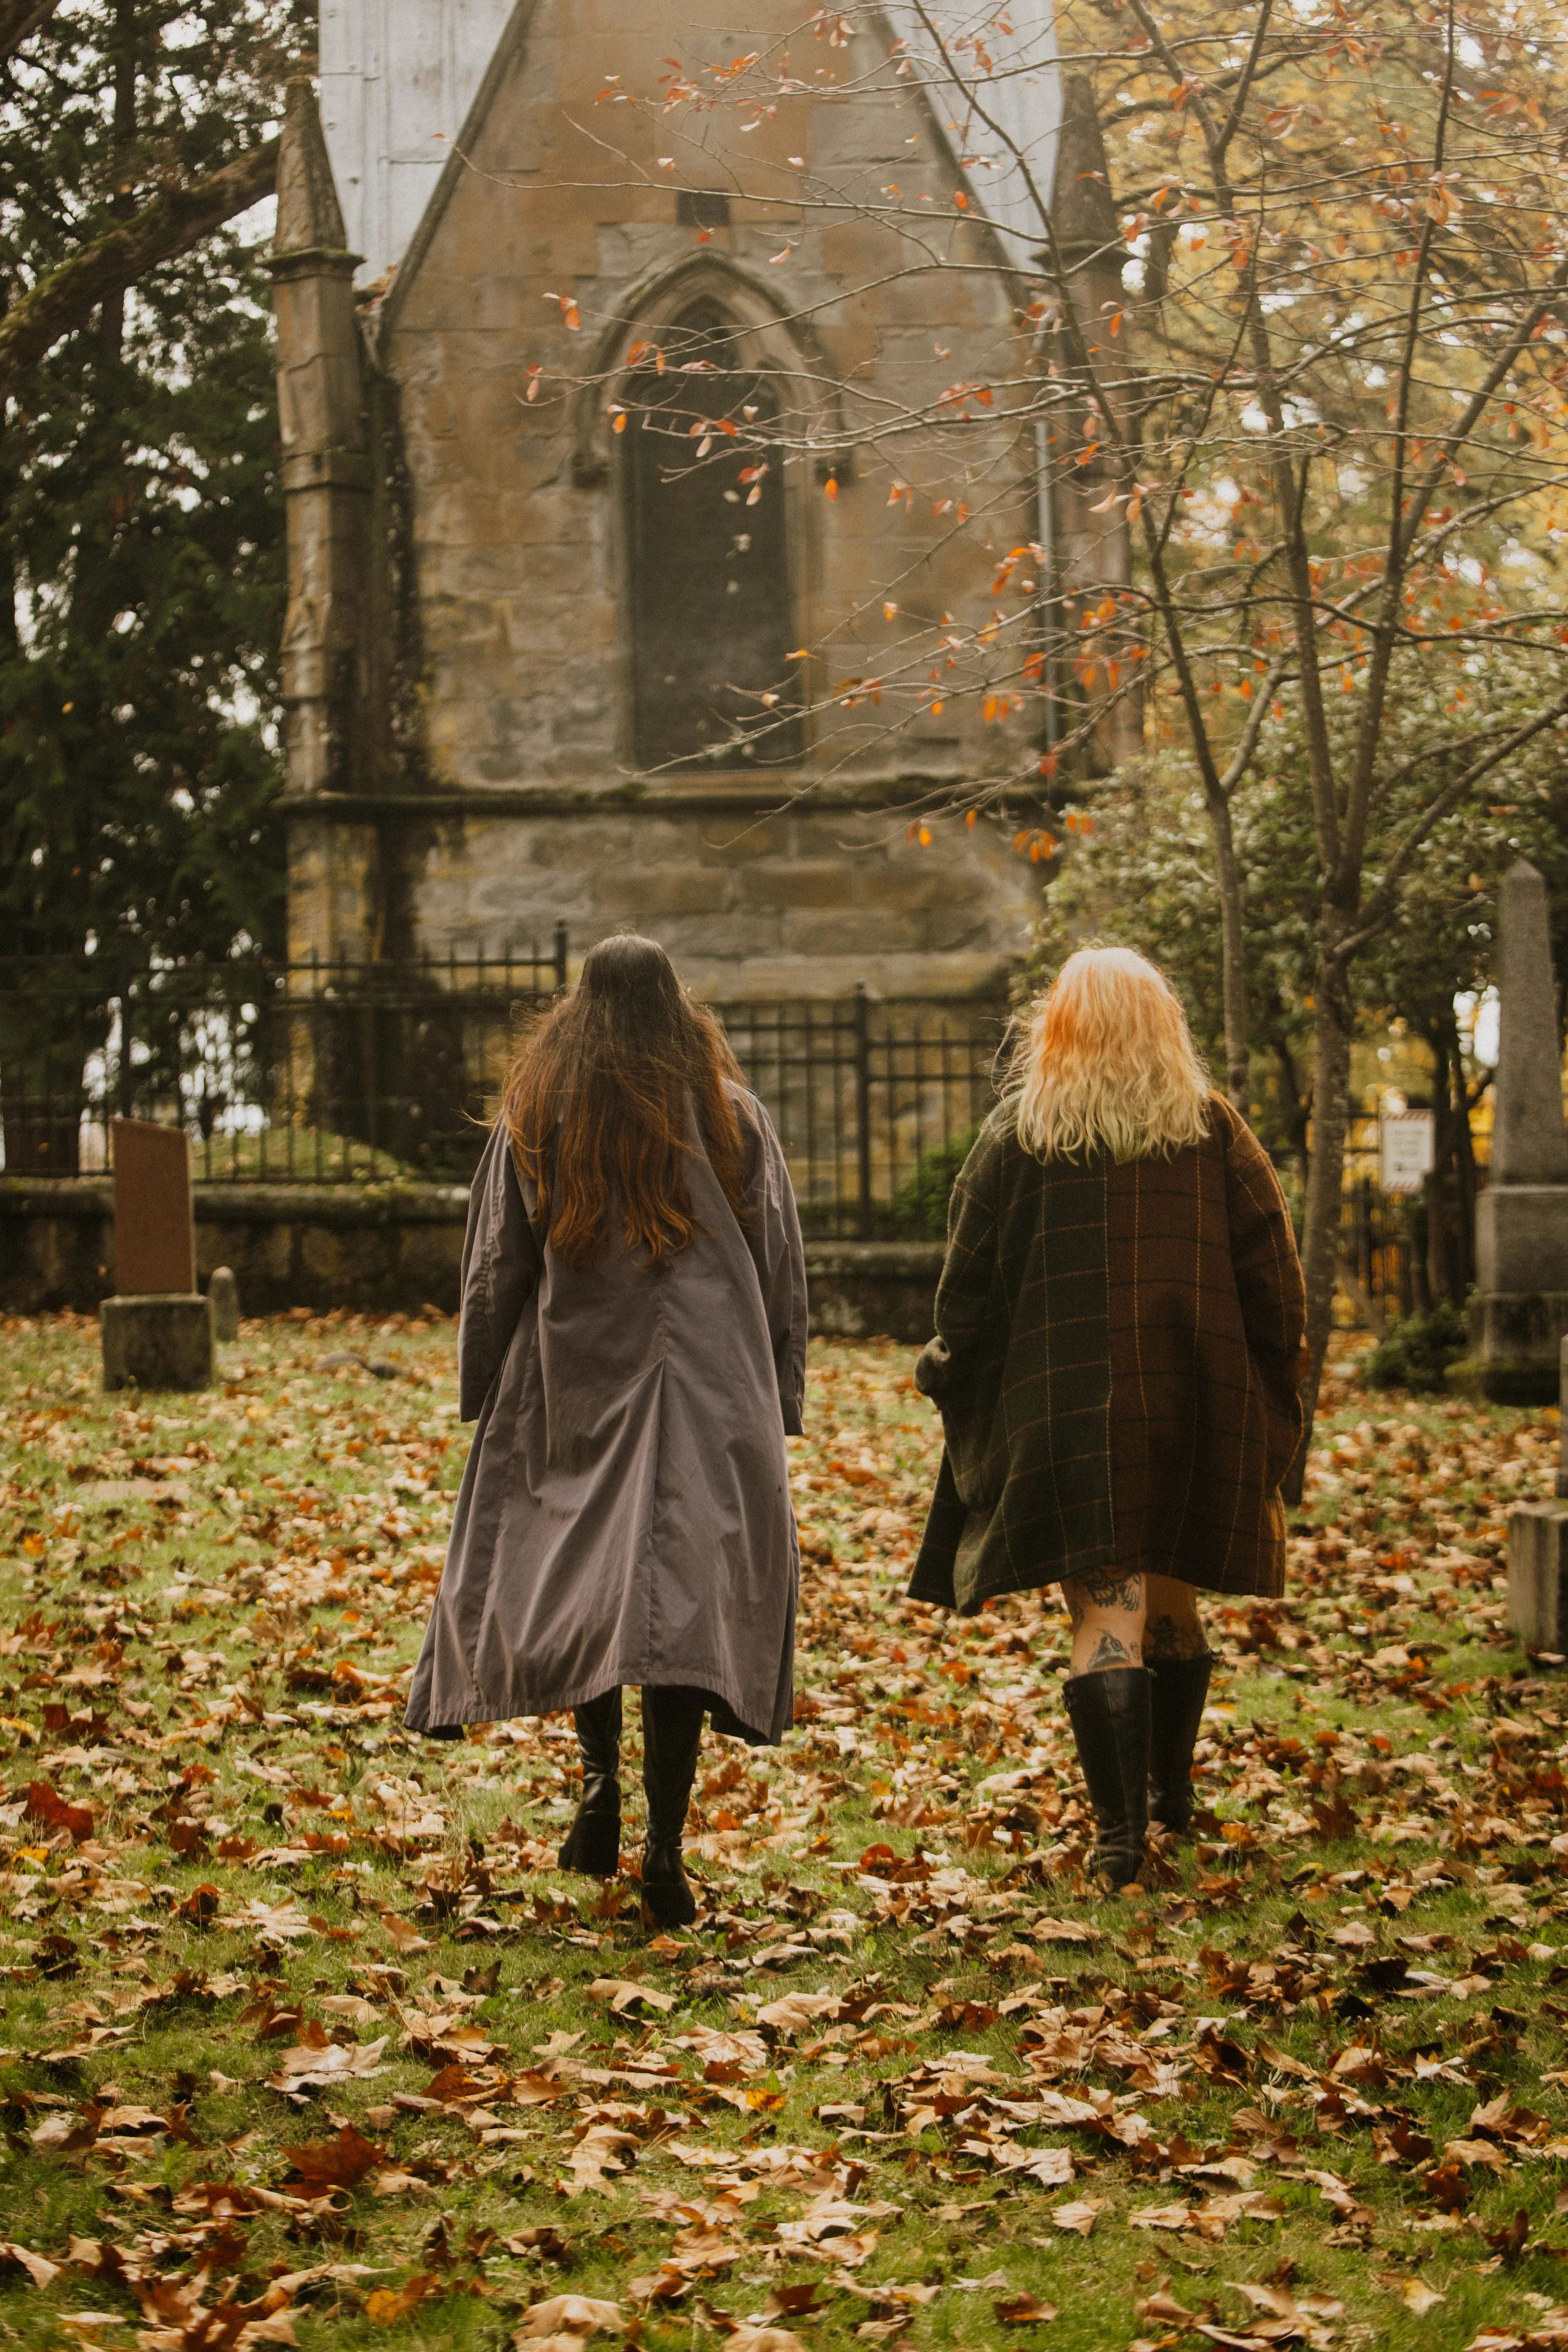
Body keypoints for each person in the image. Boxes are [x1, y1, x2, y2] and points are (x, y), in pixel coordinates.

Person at [405, 934, 807, 1928]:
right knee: (676, 1608)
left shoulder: (540, 1114)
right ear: (680, 1010)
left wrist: (483, 1380)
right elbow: (778, 1264)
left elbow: (496, 1261)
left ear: (578, 1012)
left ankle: (598, 1789)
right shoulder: (731, 1118)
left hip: (576, 1378)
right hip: (710, 1387)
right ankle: (665, 1853)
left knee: (591, 1582)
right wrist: (781, 1391)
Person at [909, 945, 1308, 1890]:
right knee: (1172, 1598)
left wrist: (949, 1373)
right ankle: (1171, 1799)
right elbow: (1277, 1282)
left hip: (1069, 1416)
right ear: (1162, 1026)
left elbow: (963, 1295)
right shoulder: (1214, 1133)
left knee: (1106, 1612)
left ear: (1059, 1027)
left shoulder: (1020, 1136)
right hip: (1193, 1405)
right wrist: (1269, 1391)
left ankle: (1120, 1837)